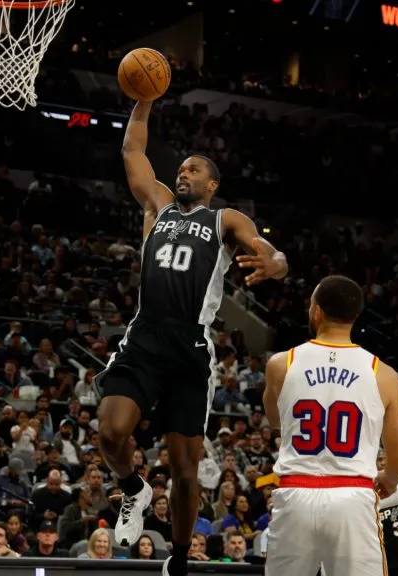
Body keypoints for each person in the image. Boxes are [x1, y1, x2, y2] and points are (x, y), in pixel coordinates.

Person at [98, 99, 289, 576]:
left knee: (185, 473)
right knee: (110, 431)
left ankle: (179, 559)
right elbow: (131, 150)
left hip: (190, 347)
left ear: (212, 184)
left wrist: (276, 262)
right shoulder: (157, 206)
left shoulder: (223, 220)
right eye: (181, 168)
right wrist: (143, 101)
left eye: (195, 169)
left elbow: (266, 247)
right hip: (145, 335)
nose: (184, 174)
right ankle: (133, 489)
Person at [261, 275, 398, 576]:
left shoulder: (280, 363)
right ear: (356, 316)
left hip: (295, 495)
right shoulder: (385, 374)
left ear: (316, 311)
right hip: (352, 497)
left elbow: (275, 421)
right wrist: (389, 479)